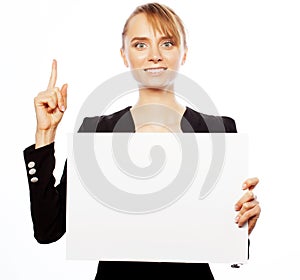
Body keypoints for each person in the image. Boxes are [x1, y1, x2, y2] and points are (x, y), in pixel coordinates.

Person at [23, 2, 261, 279]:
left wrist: (243, 224)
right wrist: (45, 134)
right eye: (140, 45)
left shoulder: (217, 131)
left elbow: (228, 249)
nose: (155, 56)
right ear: (124, 55)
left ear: (184, 53)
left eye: (168, 43)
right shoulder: (96, 133)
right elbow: (48, 229)